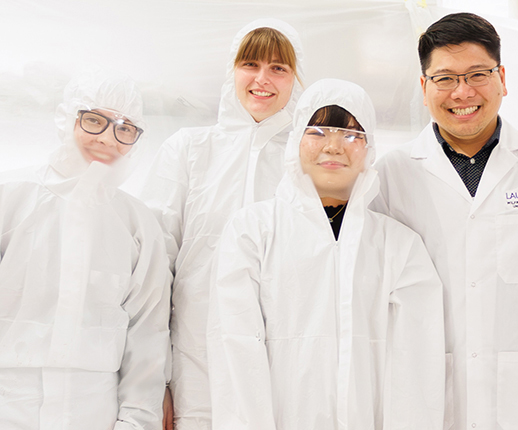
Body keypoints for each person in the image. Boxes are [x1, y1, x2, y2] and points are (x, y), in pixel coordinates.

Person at [372, 12, 518, 430]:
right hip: (423, 393)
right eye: (445, 78)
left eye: (477, 75)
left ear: (502, 78)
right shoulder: (389, 176)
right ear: (424, 88)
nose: (462, 92)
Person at [206, 78, 445, 429]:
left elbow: (417, 366)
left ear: (369, 148)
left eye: (351, 134)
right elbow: (235, 350)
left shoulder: (398, 247)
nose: (333, 146)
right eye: (317, 132)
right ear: (295, 142)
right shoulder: (252, 232)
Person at [139, 19, 305, 429]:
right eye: (250, 64)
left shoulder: (307, 160)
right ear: (232, 70)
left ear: (296, 78)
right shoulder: (189, 149)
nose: (262, 79)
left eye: (278, 68)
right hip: (195, 364)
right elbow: (152, 271)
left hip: (283, 367)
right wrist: (152, 379)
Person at [0, 71, 171, 429]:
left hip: (94, 412)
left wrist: (136, 421)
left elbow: (148, 334)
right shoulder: (10, 197)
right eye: (94, 120)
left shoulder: (137, 224)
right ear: (67, 118)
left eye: (125, 128)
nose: (108, 138)